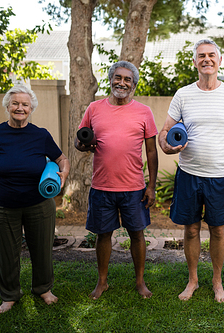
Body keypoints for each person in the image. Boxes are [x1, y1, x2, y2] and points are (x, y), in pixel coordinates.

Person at [158, 39, 224, 303]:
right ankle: (193, 280)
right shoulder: (183, 94)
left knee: (218, 231)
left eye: (211, 55)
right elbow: (164, 132)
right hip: (189, 174)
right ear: (195, 62)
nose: (206, 59)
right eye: (201, 56)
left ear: (219, 61)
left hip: (219, 177)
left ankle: (217, 282)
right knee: (191, 230)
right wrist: (166, 147)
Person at [0, 85, 70, 314]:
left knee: (42, 249)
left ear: (31, 109)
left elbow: (62, 159)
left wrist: (64, 173)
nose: (20, 108)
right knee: (6, 253)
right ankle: (9, 295)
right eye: (15, 103)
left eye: (25, 104)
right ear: (7, 106)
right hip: (2, 204)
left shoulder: (40, 134)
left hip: (39, 204)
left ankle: (43, 289)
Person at [75, 61, 158, 300]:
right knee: (103, 235)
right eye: (118, 77)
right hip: (102, 186)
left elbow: (151, 151)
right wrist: (82, 144)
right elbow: (79, 141)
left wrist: (151, 186)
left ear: (133, 85)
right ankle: (102, 282)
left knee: (137, 234)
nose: (122, 82)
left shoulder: (144, 112)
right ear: (111, 79)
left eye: (127, 79)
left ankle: (140, 281)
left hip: (134, 188)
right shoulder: (94, 108)